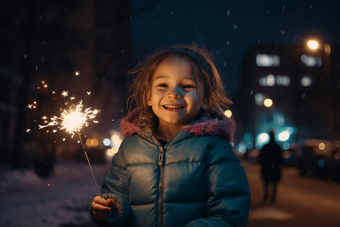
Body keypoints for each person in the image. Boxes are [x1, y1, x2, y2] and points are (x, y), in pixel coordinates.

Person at [90, 44, 251, 227]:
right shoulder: (130, 148)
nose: (173, 93)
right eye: (163, 85)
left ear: (205, 100)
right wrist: (112, 208)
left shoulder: (215, 150)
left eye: (187, 86)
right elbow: (118, 194)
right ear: (149, 96)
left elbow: (230, 214)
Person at [258, 130, 284, 204]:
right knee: (274, 183)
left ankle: (266, 196)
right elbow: (281, 159)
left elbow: (260, 159)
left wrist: (266, 163)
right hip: (275, 168)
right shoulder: (277, 147)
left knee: (266, 182)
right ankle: (273, 197)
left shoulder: (265, 147)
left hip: (267, 167)